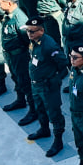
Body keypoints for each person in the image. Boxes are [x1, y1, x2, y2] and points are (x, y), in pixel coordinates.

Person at [24, 18, 68, 153]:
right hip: (36, 84)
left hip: (47, 86)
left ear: (41, 31)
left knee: (54, 113)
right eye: (28, 31)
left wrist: (54, 79)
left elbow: (63, 63)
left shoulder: (49, 46)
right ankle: (44, 129)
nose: (29, 34)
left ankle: (58, 140)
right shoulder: (34, 42)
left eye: (32, 31)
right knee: (40, 108)